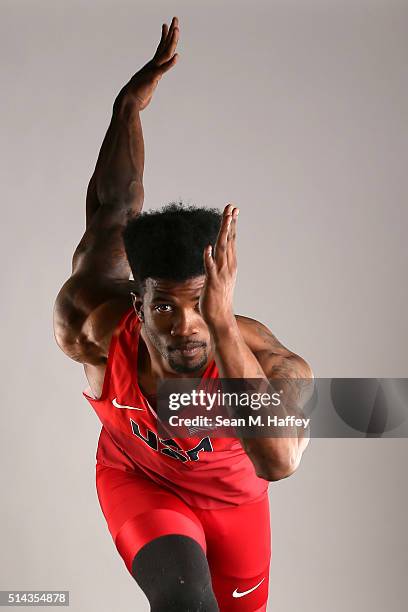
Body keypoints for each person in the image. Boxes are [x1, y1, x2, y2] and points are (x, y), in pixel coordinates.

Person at [53, 16, 312, 612]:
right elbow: (111, 214)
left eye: (200, 304)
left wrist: (223, 327)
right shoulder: (94, 325)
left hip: (235, 506)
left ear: (222, 293)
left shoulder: (272, 362)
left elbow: (279, 463)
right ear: (136, 306)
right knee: (186, 603)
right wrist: (127, 110)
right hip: (138, 483)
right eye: (164, 306)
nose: (182, 325)